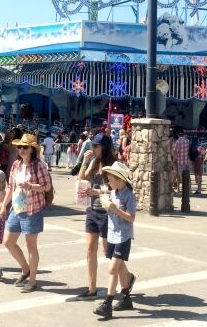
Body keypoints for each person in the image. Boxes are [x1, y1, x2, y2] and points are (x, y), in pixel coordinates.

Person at [1, 132, 52, 292]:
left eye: (24, 147)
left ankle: (32, 281)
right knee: (8, 242)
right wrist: (4, 205)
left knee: (31, 246)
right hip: (17, 208)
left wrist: (30, 186)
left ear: (32, 149)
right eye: (19, 147)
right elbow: (10, 186)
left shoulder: (40, 165)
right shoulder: (16, 165)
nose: (21, 149)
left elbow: (46, 187)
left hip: (32, 209)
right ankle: (25, 269)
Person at [74, 133, 116, 300]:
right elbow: (81, 180)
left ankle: (126, 281)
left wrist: (97, 191)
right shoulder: (94, 162)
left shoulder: (114, 165)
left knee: (108, 252)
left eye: (96, 146)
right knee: (90, 249)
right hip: (92, 210)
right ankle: (92, 288)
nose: (93, 148)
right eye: (92, 145)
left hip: (107, 212)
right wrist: (84, 161)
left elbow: (118, 190)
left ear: (104, 147)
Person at [94, 162, 137, 319]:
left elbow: (131, 218)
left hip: (123, 236)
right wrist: (93, 193)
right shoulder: (113, 192)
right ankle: (126, 296)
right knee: (119, 267)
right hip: (112, 234)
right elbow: (102, 192)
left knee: (113, 268)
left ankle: (108, 304)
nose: (109, 182)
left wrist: (114, 208)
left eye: (111, 179)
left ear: (120, 180)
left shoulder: (129, 196)